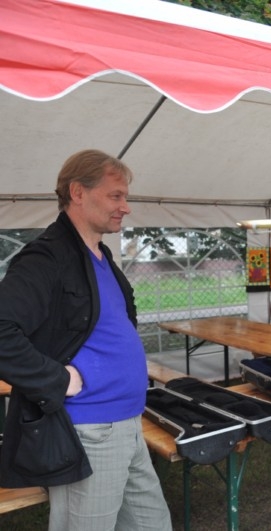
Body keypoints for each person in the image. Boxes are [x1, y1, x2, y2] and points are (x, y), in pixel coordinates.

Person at [0, 149, 171, 530]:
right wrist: (57, 379)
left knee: (154, 524)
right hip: (90, 430)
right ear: (78, 192)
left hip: (129, 422)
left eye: (125, 197)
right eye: (115, 195)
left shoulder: (100, 255)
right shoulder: (46, 257)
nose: (125, 207)